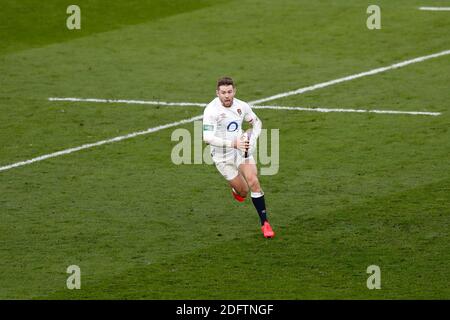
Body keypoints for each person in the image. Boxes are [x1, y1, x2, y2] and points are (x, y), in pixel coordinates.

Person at [202, 76, 275, 238]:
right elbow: (207, 138)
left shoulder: (242, 106)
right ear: (217, 93)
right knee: (243, 192)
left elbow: (256, 123)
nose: (227, 96)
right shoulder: (211, 111)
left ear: (234, 91)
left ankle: (265, 223)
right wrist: (232, 144)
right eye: (223, 92)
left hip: (241, 150)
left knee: (254, 181)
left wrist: (251, 140)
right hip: (222, 156)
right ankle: (236, 189)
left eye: (229, 92)